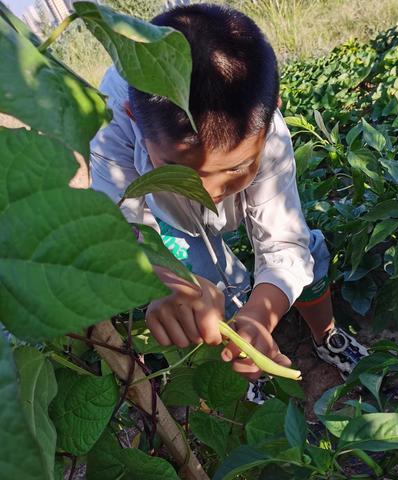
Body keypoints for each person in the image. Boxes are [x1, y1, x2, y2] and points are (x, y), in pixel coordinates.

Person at [90, 3, 368, 388]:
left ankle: (327, 335)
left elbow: (284, 243)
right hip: (168, 218)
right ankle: (243, 371)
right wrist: (167, 280)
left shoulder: (260, 123)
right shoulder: (111, 119)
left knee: (307, 254)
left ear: (272, 115)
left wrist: (259, 316)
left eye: (236, 169)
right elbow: (119, 224)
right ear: (134, 120)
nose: (207, 195)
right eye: (179, 170)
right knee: (206, 286)